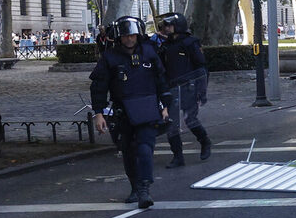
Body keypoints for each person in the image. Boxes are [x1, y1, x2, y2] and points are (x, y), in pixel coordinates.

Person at [90, 16, 169, 207]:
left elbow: (161, 79)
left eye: (132, 35)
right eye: (125, 36)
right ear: (119, 37)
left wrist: (165, 105)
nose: (129, 39)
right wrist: (98, 113)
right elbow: (99, 87)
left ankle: (144, 189)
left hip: (148, 109)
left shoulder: (149, 53)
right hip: (123, 111)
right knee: (128, 151)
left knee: (144, 148)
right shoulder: (109, 58)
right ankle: (135, 187)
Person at [154, 12, 212, 167]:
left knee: (190, 119)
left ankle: (205, 141)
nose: (166, 28)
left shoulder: (190, 43)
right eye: (165, 26)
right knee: (171, 124)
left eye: (169, 25)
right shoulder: (165, 45)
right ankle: (178, 156)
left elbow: (201, 68)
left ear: (178, 26)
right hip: (172, 89)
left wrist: (201, 91)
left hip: (189, 88)